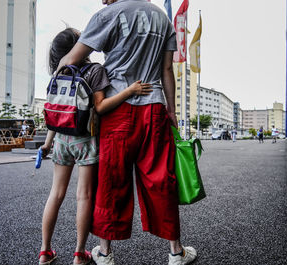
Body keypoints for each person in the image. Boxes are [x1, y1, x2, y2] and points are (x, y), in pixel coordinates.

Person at [56, 1, 197, 264]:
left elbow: (72, 59)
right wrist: (172, 111)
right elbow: (167, 69)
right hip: (154, 107)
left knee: (112, 179)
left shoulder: (108, 15)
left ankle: (105, 253)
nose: (102, 0)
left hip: (116, 109)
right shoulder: (162, 19)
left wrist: (58, 67)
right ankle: (176, 252)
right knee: (160, 179)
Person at [38, 28, 152, 265]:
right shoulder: (95, 70)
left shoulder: (60, 71)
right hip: (86, 140)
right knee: (84, 195)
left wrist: (47, 144)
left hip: (60, 140)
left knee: (56, 194)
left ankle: (45, 251)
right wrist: (130, 90)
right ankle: (80, 254)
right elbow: (100, 107)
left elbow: (57, 111)